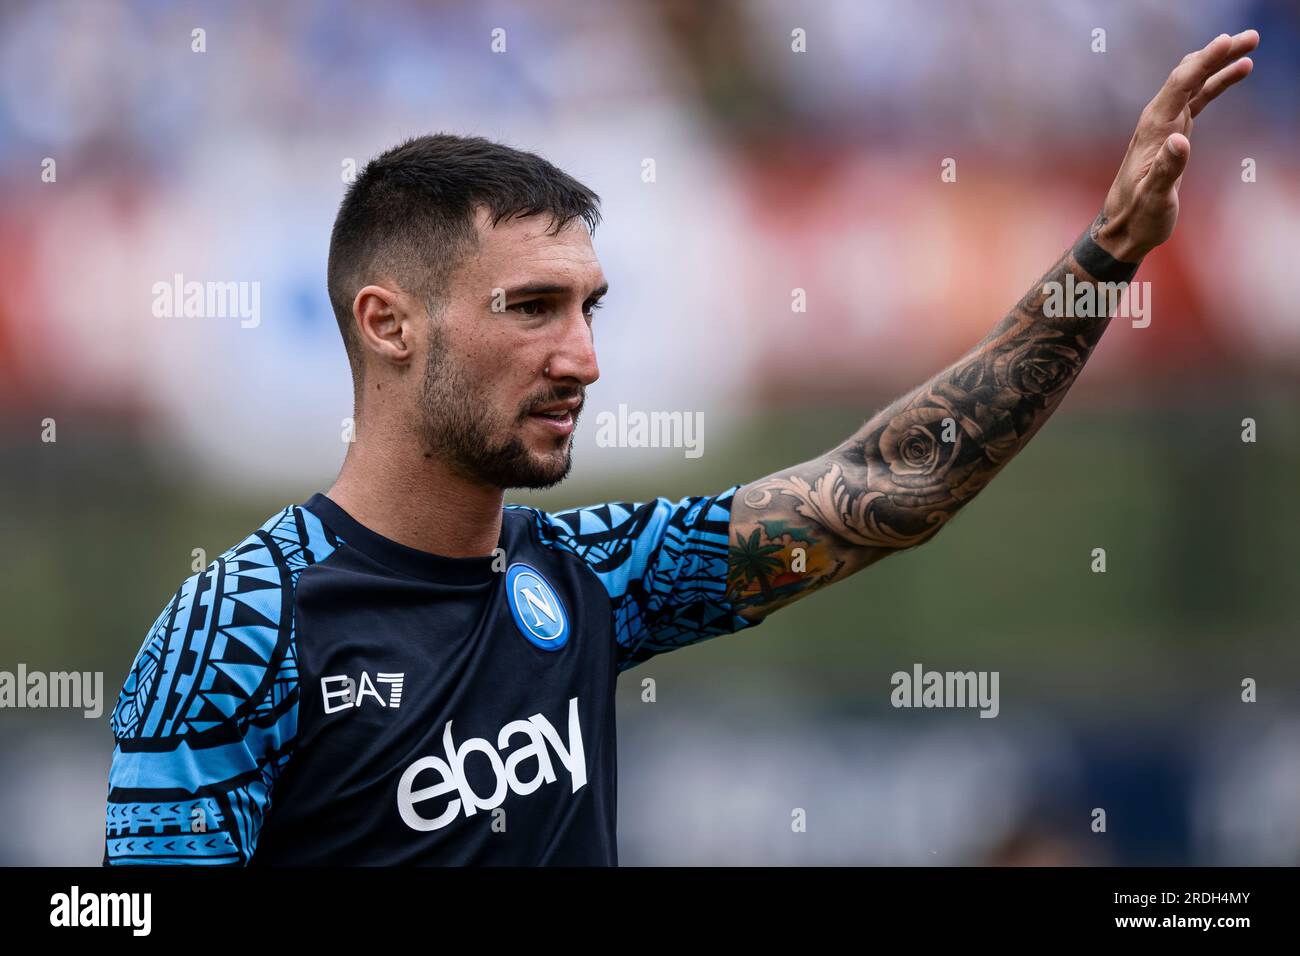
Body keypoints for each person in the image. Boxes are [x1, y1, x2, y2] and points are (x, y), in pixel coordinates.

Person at [104, 30, 1259, 865]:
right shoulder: (239, 624)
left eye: (589, 308)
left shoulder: (585, 574)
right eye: (530, 307)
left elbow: (892, 485)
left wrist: (1105, 254)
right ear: (388, 323)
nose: (581, 357)